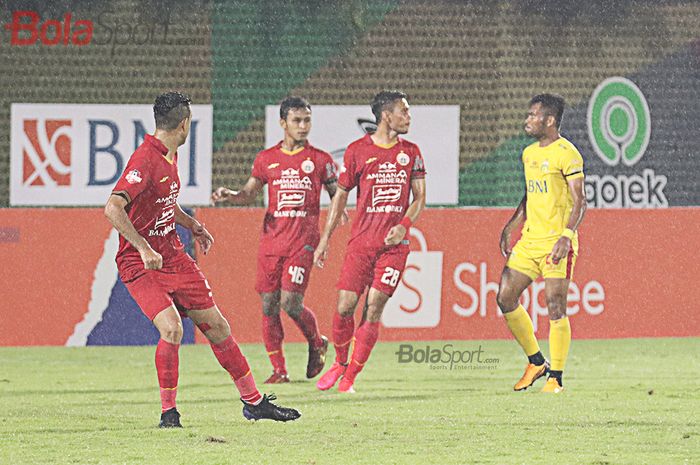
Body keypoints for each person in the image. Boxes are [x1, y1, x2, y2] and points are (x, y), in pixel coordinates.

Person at [104, 91, 300, 427]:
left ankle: (254, 403)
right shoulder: (145, 159)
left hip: (174, 257)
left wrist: (193, 224)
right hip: (141, 264)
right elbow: (113, 208)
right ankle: (169, 413)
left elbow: (165, 203)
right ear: (184, 124)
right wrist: (143, 248)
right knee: (172, 329)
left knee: (219, 328)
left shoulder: (169, 155)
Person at [211, 96, 339, 383]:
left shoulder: (320, 160)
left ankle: (316, 341)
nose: (303, 126)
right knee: (269, 305)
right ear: (283, 123)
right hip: (271, 243)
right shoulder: (266, 159)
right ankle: (279, 370)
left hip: (302, 241)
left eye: (307, 120)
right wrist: (231, 195)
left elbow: (337, 196)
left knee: (290, 302)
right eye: (297, 120)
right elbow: (249, 193)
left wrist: (329, 230)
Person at [313, 90, 427, 393]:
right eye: (404, 111)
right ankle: (339, 361)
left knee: (374, 307)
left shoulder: (411, 152)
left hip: (394, 248)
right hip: (361, 244)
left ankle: (349, 377)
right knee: (345, 305)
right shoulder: (356, 151)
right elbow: (340, 198)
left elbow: (420, 198)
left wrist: (404, 225)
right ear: (386, 115)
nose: (408, 116)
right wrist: (325, 239)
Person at [496, 93, 587, 394]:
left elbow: (581, 201)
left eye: (533, 115)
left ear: (549, 120)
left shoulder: (568, 154)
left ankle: (556, 378)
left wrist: (566, 236)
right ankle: (536, 362)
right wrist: (512, 224)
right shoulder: (528, 154)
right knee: (505, 297)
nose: (527, 120)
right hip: (529, 240)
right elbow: (530, 194)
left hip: (555, 243)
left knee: (555, 306)